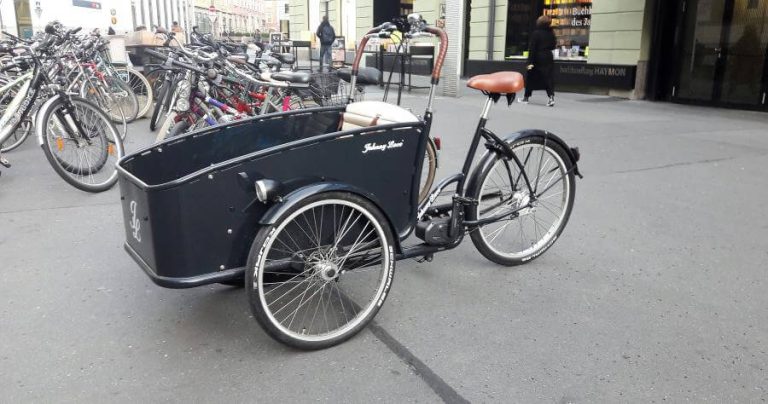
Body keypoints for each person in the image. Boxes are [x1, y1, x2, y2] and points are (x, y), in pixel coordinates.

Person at [521, 15, 556, 107]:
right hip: (548, 57)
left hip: (537, 57)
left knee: (530, 77)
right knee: (548, 77)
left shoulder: (536, 33)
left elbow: (532, 48)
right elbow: (553, 45)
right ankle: (551, 97)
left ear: (539, 23)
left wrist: (529, 62)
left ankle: (526, 98)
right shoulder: (551, 33)